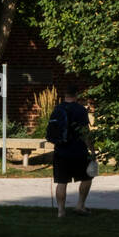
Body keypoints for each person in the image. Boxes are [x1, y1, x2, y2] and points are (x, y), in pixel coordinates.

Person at [47, 85, 93, 218]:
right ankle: (80, 205)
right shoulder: (80, 110)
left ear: (65, 95)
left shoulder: (58, 109)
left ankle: (61, 211)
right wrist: (93, 150)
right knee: (87, 177)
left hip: (61, 151)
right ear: (76, 95)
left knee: (61, 182)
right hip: (79, 151)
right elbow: (85, 132)